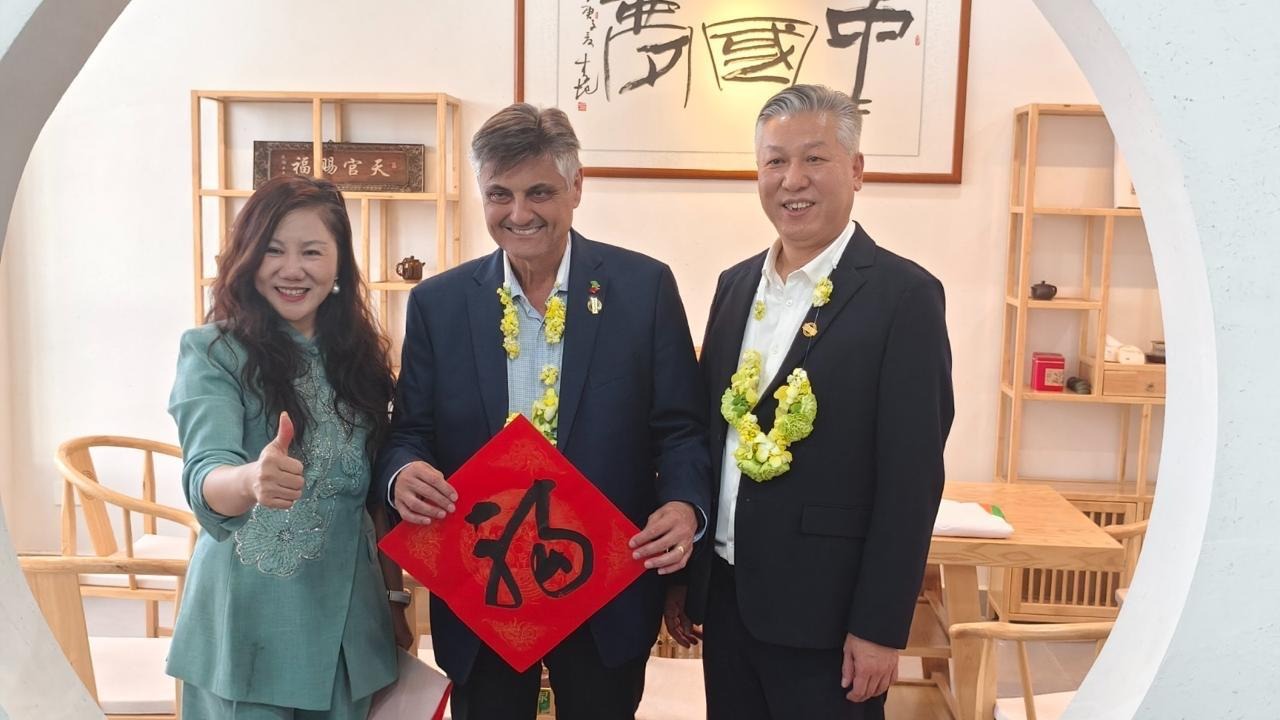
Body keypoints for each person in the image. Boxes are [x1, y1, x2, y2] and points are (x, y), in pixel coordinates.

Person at [375, 103, 710, 720]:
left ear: (577, 187)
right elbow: (409, 433)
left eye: (539, 192)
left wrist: (686, 505)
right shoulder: (438, 305)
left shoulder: (643, 289)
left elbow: (681, 430)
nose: (519, 213)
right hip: (484, 588)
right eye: (499, 194)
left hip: (605, 591)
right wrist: (402, 475)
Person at [666, 84, 955, 720]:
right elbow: (713, 438)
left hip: (831, 618)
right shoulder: (735, 286)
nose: (792, 179)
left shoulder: (904, 297)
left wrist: (879, 627)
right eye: (775, 161)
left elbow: (912, 480)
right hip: (729, 604)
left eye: (814, 158)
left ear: (856, 169)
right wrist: (688, 579)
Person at [168, 176, 411, 718]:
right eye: (273, 250)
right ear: (248, 258)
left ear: (340, 264)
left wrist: (396, 601)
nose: (292, 269)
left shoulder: (362, 360)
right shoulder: (212, 351)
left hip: (352, 628)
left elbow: (375, 499)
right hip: (249, 623)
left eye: (312, 252)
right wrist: (250, 480)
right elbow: (205, 471)